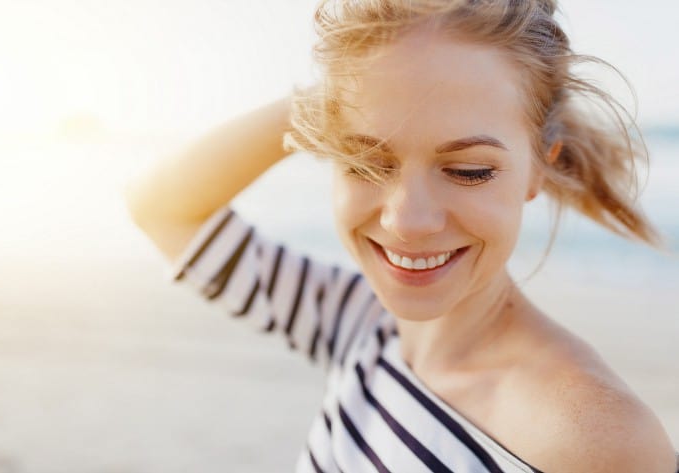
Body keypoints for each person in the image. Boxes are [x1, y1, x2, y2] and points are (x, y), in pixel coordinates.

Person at [124, 1, 678, 471]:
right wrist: (331, 94)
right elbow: (160, 207)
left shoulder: (592, 438)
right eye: (364, 161)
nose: (406, 222)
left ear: (539, 168)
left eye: (469, 171)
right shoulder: (357, 323)